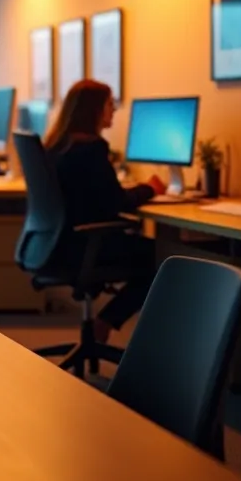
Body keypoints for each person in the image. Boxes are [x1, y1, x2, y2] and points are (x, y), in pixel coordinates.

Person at [46, 79, 166, 343]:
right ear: (94, 110)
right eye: (109, 104)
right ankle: (107, 321)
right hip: (85, 245)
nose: (113, 110)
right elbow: (115, 203)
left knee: (155, 253)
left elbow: (100, 197)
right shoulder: (90, 149)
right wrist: (150, 189)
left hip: (57, 245)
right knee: (166, 258)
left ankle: (107, 322)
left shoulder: (57, 146)